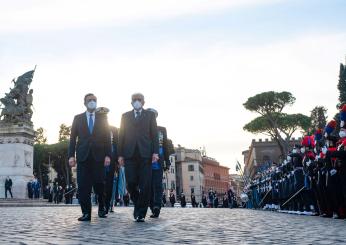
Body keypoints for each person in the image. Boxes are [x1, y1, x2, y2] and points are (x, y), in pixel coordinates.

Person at [68, 93, 112, 221]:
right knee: (83, 186)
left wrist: (108, 155)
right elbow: (72, 139)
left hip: (99, 156)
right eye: (89, 100)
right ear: (85, 103)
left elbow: (107, 139)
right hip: (83, 156)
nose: (92, 102)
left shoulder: (103, 118)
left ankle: (102, 207)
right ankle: (86, 213)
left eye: (94, 100)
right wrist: (71, 155)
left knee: (99, 185)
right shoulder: (78, 118)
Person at [118, 93, 159, 222]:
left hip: (146, 155)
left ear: (143, 102)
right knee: (130, 184)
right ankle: (139, 204)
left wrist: (155, 152)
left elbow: (154, 136)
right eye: (134, 100)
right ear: (131, 102)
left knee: (145, 185)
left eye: (139, 100)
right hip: (129, 155)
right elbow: (121, 136)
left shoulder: (150, 116)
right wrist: (120, 155)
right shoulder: (125, 116)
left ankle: (141, 213)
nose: (136, 101)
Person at [147, 108, 171, 218]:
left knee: (157, 185)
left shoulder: (162, 130)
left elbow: (165, 146)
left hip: (159, 161)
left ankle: (157, 206)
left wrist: (168, 162)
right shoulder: (142, 129)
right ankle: (152, 206)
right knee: (148, 186)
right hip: (146, 161)